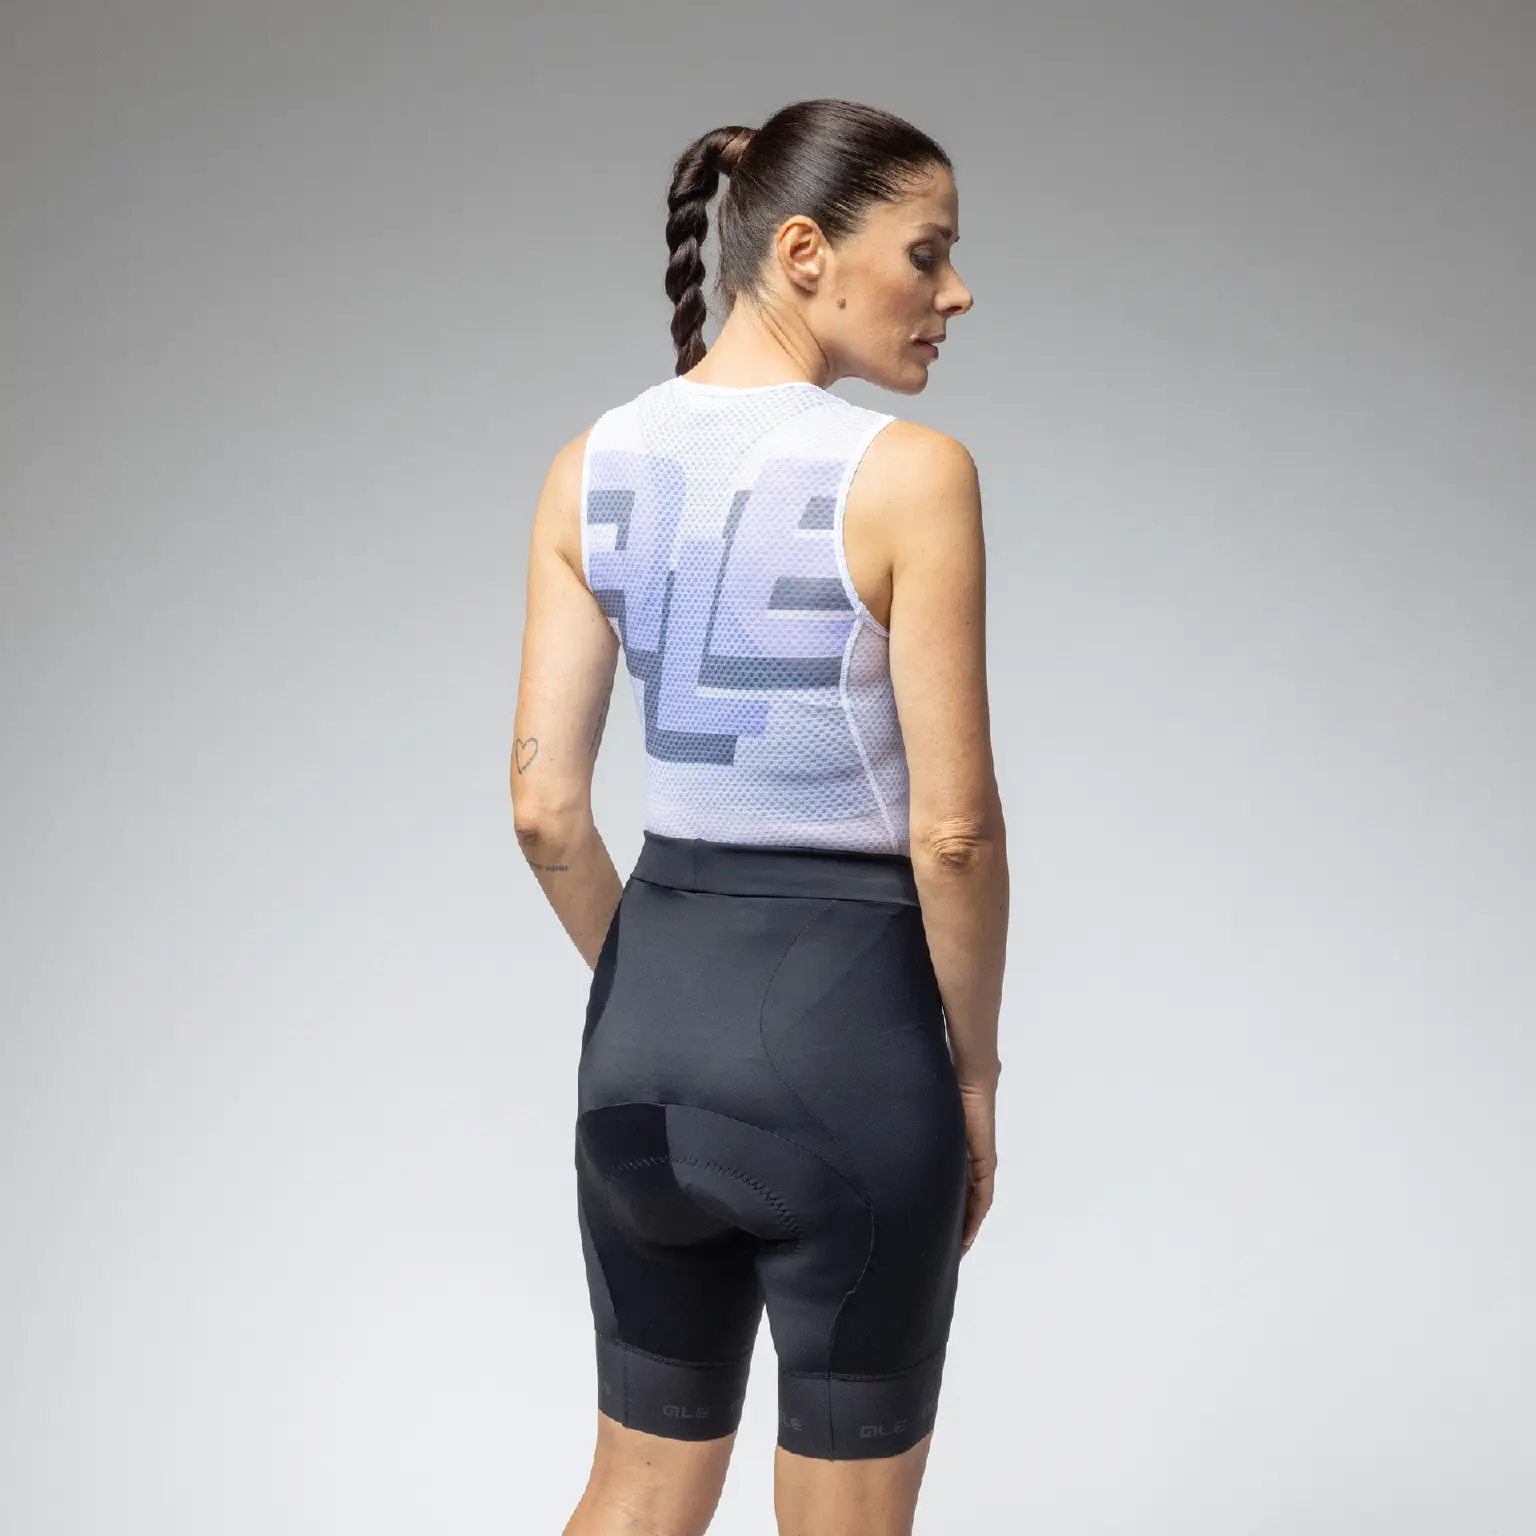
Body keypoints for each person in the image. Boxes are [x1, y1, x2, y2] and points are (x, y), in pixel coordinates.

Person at [511, 97, 1008, 1536]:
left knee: (634, 1492)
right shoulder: (912, 474)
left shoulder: (588, 465)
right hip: (850, 1053)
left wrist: (659, 982)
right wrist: (973, 1077)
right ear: (803, 252)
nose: (956, 293)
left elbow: (546, 811)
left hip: (642, 1052)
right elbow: (954, 835)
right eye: (928, 254)